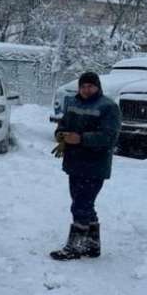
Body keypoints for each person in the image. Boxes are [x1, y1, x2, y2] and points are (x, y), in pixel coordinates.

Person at [50, 70, 121, 260]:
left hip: (95, 165)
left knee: (81, 205)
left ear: (98, 87)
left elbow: (109, 137)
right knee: (84, 203)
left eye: (90, 86)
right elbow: (63, 125)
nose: (86, 90)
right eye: (83, 86)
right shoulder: (73, 103)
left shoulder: (108, 107)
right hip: (75, 163)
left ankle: (75, 247)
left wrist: (81, 138)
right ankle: (92, 244)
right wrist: (61, 135)